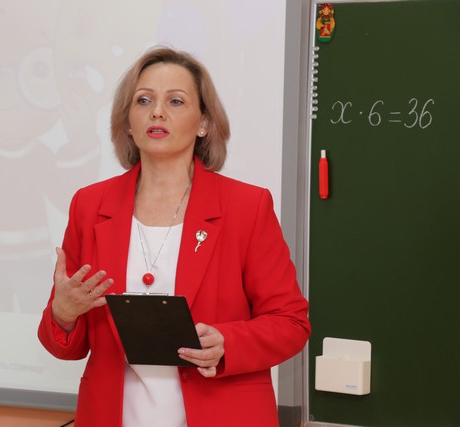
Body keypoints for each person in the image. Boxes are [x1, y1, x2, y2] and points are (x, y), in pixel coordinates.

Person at [38, 46, 311, 427]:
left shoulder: (246, 207)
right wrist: (64, 314)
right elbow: (66, 345)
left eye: (176, 101)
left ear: (204, 123)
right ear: (128, 122)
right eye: (144, 100)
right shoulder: (90, 205)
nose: (157, 112)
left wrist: (227, 343)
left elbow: (291, 323)